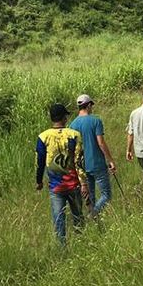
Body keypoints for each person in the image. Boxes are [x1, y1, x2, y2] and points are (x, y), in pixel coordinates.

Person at [35, 103, 88, 245]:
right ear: (64, 118)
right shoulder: (74, 135)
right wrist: (84, 183)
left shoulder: (43, 137)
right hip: (74, 184)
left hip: (55, 186)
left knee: (58, 220)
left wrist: (39, 181)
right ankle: (82, 243)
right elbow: (79, 162)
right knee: (78, 217)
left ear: (51, 118)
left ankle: (62, 248)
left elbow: (40, 162)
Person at [70, 93, 117, 217]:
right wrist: (110, 160)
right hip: (97, 163)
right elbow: (100, 143)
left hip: (82, 166)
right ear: (89, 105)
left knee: (90, 197)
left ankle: (94, 219)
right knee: (106, 195)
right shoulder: (96, 120)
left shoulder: (72, 125)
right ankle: (93, 215)